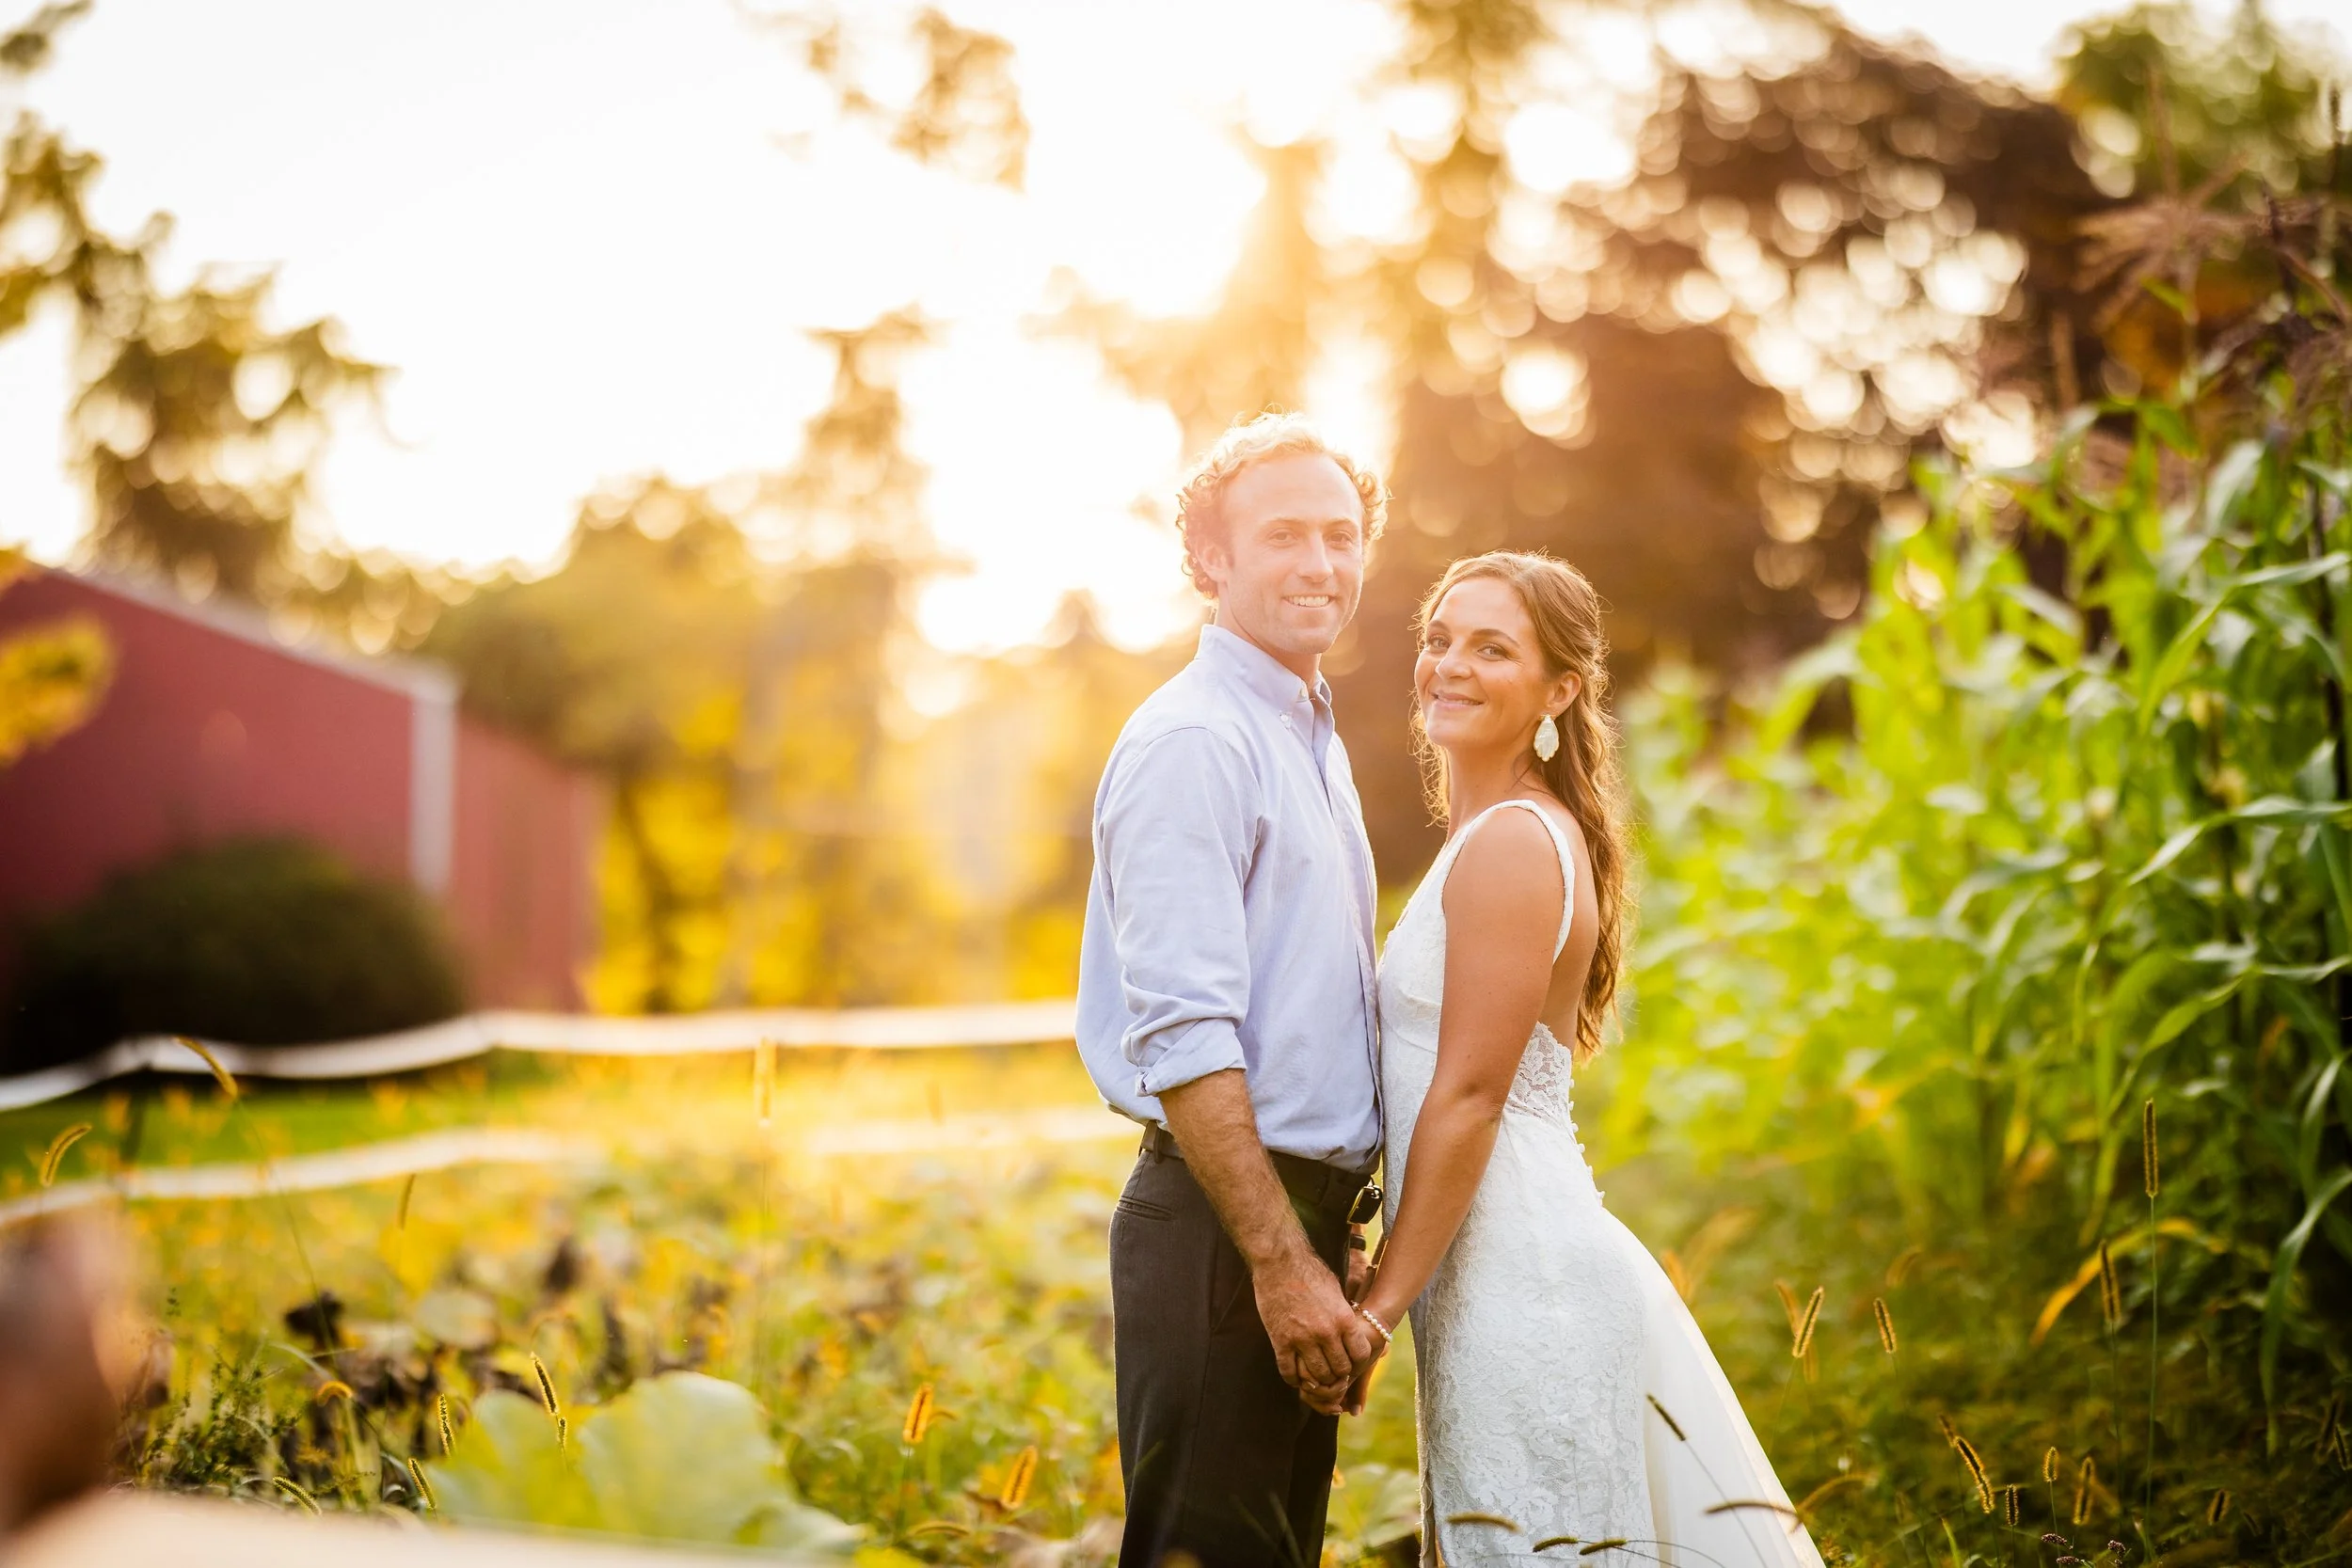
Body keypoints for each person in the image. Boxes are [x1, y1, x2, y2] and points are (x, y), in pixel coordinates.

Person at [1326, 550, 1824, 1568]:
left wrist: (1372, 1310)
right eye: (1440, 638)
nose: (1449, 664)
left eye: (1491, 647)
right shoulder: (1493, 835)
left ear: (1559, 690)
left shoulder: (1512, 840)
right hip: (1480, 1274)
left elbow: (1466, 1098)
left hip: (1526, 1281)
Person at [1076, 412, 1390, 1568]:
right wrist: (1275, 1256)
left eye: (1341, 535)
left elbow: (1306, 1020)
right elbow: (1188, 1035)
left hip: (1283, 1218)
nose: (1320, 563)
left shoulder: (1306, 732)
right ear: (1211, 558)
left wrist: (1327, 1231)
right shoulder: (1196, 742)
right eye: (1283, 535)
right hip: (1220, 1232)